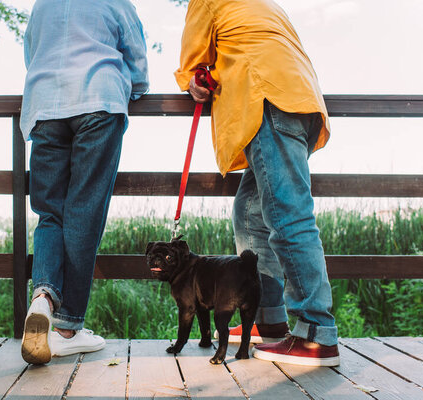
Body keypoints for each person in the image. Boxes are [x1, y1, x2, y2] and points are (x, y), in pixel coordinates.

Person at [174, 0, 339, 366]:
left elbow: (193, 63)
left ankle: (316, 333)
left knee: (288, 215)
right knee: (249, 213)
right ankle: (268, 318)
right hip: (299, 99)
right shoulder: (264, 4)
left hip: (267, 98)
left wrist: (192, 81)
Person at [19, 0, 149, 364]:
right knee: (83, 213)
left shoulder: (42, 4)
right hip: (98, 98)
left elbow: (33, 54)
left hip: (45, 106)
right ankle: (67, 328)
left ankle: (43, 298)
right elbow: (137, 57)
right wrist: (135, 88)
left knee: (50, 214)